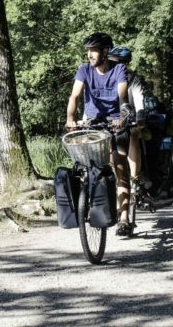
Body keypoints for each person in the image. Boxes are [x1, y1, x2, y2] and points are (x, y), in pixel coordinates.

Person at [65, 32, 134, 236]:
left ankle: (124, 218)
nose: (89, 55)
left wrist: (122, 117)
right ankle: (86, 200)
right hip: (92, 123)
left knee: (119, 165)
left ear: (105, 52)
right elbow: (75, 95)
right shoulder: (84, 70)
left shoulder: (119, 69)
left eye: (93, 50)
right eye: (88, 51)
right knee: (85, 164)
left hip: (115, 123)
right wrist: (70, 118)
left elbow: (122, 96)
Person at [108, 47, 150, 225]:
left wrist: (139, 117)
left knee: (133, 133)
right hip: (110, 123)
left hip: (129, 121)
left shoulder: (133, 80)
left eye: (116, 62)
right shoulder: (107, 79)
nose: (113, 65)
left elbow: (139, 101)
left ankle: (135, 177)